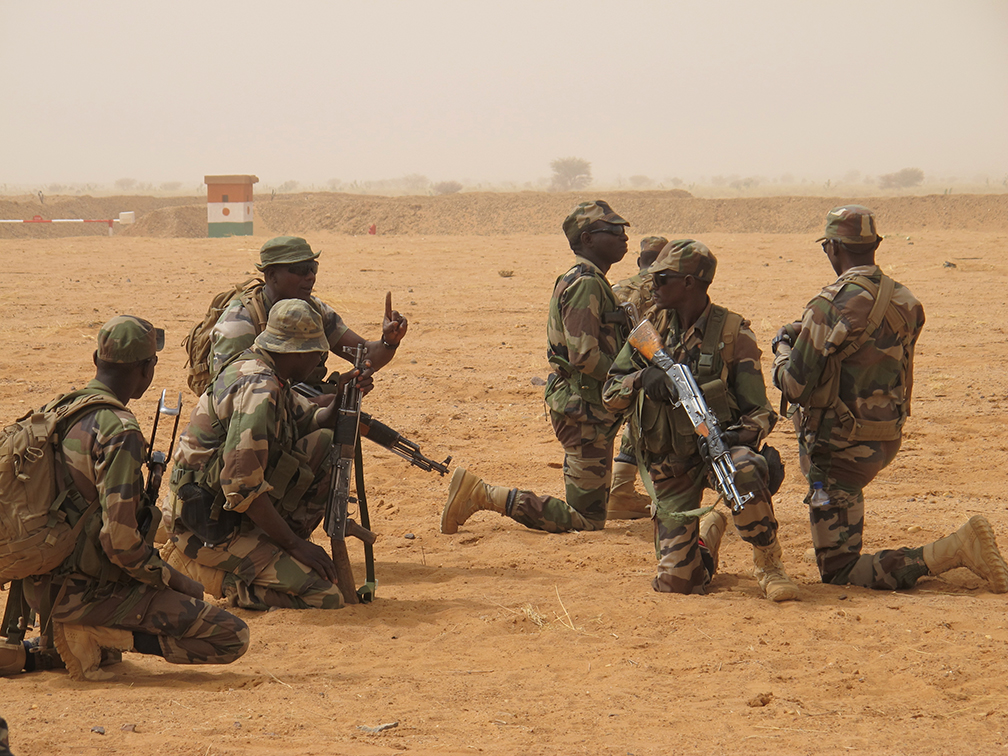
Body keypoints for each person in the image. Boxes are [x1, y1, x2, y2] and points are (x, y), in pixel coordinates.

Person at [772, 205, 1008, 592]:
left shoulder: (828, 305)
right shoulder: (906, 300)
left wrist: (783, 348)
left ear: (832, 247)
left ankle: (954, 548)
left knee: (839, 573)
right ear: (875, 244)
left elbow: (794, 385)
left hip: (838, 451)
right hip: (882, 440)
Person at [21, 317, 249, 681]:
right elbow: (121, 543)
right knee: (230, 636)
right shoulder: (119, 430)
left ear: (97, 358)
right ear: (147, 370)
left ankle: (78, 633)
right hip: (84, 594)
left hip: (40, 587)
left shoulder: (61, 409)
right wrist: (173, 579)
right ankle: (97, 632)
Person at [603, 240, 799, 601]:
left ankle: (769, 562)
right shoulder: (650, 331)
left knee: (744, 470)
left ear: (690, 283)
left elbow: (761, 411)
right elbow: (610, 393)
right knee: (679, 585)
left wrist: (738, 437)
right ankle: (708, 532)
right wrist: (641, 380)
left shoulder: (732, 334)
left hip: (717, 448)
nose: (653, 286)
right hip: (670, 463)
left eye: (662, 279)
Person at [441, 201, 632, 534]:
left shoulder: (590, 280)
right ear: (587, 239)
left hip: (587, 407)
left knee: (593, 507)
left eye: (623, 230)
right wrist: (631, 377)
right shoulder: (585, 283)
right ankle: (483, 494)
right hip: (584, 409)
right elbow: (583, 356)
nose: (623, 236)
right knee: (586, 520)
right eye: (613, 231)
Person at [165, 299, 352, 610]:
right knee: (326, 596)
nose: (319, 362)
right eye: (317, 354)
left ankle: (269, 549)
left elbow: (308, 419)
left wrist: (339, 400)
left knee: (321, 441)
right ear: (295, 352)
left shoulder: (267, 372)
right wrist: (295, 546)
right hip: (206, 524)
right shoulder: (257, 390)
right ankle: (207, 573)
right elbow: (242, 488)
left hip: (223, 509)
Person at [211, 235, 407, 390]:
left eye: (313, 268)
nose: (311, 277)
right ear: (272, 275)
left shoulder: (313, 311)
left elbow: (366, 356)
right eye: (301, 269)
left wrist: (389, 341)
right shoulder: (240, 322)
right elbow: (228, 393)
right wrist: (324, 399)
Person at [608, 235, 668, 520]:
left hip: (615, 370)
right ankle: (622, 491)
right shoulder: (669, 287)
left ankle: (619, 490)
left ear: (639, 261)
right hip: (652, 371)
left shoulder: (618, 289)